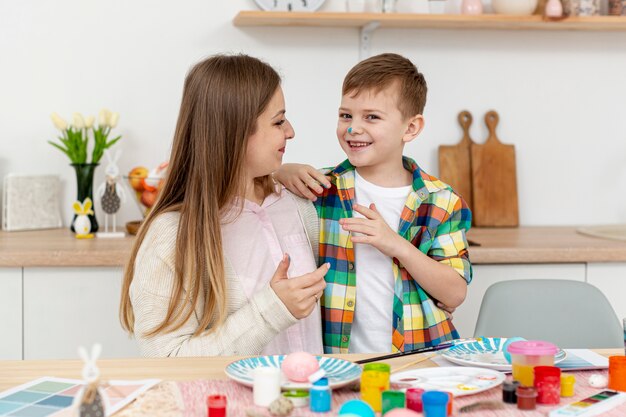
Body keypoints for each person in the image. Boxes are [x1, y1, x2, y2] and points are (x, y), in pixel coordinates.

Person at [119, 54, 328, 357]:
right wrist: (272, 310)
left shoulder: (300, 206)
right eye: (278, 121)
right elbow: (165, 359)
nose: (291, 131)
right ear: (237, 132)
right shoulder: (173, 236)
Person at [274, 53, 472, 354]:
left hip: (419, 361)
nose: (353, 128)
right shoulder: (321, 189)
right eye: (345, 115)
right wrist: (278, 171)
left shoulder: (440, 201)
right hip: (340, 364)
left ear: (411, 128)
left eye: (372, 117)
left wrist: (395, 244)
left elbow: (455, 293)